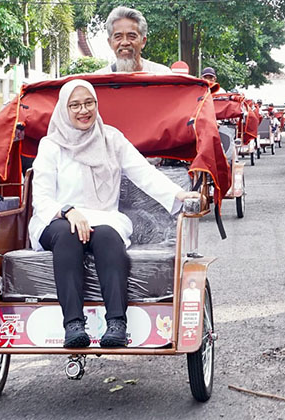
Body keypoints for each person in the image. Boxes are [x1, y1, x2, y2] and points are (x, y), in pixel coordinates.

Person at [29, 79, 200, 348]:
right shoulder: (51, 145)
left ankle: (117, 323)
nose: (83, 110)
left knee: (109, 236)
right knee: (67, 235)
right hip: (58, 219)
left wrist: (178, 194)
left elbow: (143, 172)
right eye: (75, 105)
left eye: (89, 103)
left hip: (101, 217)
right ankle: (73, 324)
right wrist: (68, 211)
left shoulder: (111, 138)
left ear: (97, 104)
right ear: (64, 109)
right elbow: (42, 197)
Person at [96, 7, 172, 74]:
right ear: (110, 43)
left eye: (131, 36)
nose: (125, 42)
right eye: (118, 37)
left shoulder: (162, 75)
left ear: (143, 41)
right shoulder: (98, 80)